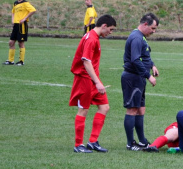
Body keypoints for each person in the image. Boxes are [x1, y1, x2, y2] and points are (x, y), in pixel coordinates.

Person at [69, 15, 117, 153]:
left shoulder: (94, 37)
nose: (111, 32)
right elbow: (86, 61)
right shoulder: (91, 39)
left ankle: (93, 141)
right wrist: (97, 82)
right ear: (104, 26)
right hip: (85, 79)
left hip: (93, 79)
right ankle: (78, 145)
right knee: (83, 110)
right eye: (111, 29)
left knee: (104, 107)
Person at [121, 13, 160, 151]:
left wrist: (152, 65)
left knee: (140, 109)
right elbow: (135, 60)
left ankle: (142, 141)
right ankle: (130, 143)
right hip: (132, 77)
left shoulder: (141, 37)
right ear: (145, 24)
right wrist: (148, 76)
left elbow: (145, 55)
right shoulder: (136, 38)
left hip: (138, 78)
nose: (153, 32)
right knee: (132, 109)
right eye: (153, 28)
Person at [3, 0, 36, 66]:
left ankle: (21, 61)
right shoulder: (15, 3)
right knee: (11, 42)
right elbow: (13, 12)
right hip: (16, 25)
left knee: (20, 43)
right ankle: (11, 61)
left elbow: (33, 10)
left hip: (22, 25)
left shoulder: (25, 3)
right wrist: (13, 20)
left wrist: (25, 18)